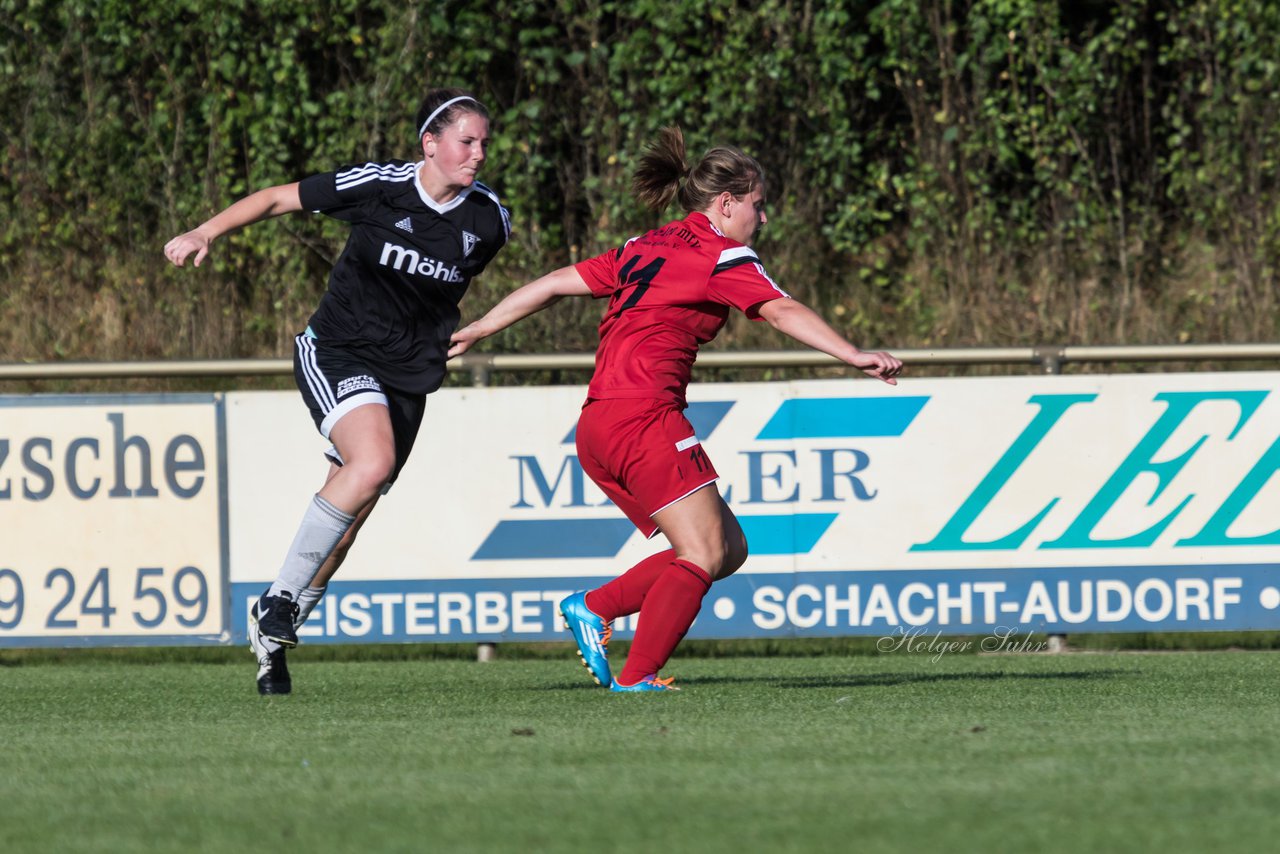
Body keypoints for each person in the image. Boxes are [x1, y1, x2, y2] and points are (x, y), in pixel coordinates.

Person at [449, 126, 902, 691]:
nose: (762, 220)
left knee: (727, 548)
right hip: (642, 417)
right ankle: (637, 677)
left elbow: (551, 284)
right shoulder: (721, 254)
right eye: (757, 207)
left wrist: (482, 327)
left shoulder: (643, 247)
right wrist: (851, 353)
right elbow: (781, 310)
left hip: (598, 423)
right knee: (704, 549)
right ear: (726, 203)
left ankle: (596, 605)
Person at [164, 88, 510, 695]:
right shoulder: (380, 186)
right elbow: (277, 198)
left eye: (484, 142)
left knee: (347, 521)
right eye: (466, 141)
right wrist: (204, 231)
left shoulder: (488, 222)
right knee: (371, 462)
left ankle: (272, 639)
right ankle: (276, 600)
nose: (479, 153)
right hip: (337, 350)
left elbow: (434, 299)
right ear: (430, 143)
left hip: (407, 376)